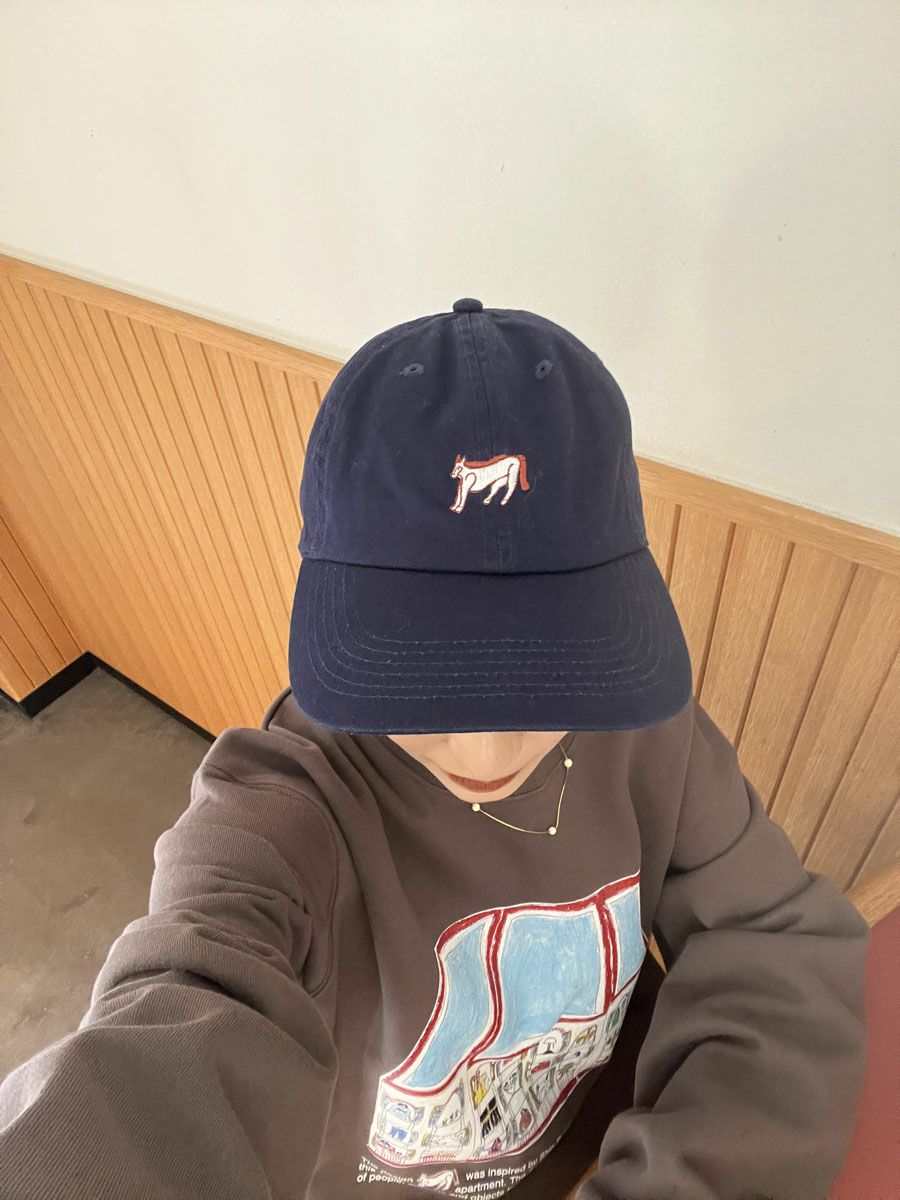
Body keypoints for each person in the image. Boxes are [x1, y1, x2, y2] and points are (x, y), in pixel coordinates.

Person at [0, 299, 870, 1199]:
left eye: (550, 667)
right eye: (418, 673)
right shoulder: (283, 809)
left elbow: (778, 946)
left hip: (600, 1139)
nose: (488, 751)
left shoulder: (647, 732)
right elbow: (171, 1042)